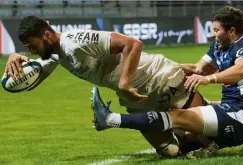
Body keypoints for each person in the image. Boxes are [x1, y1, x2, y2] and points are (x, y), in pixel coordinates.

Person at [4, 15, 213, 158]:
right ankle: (180, 126)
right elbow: (31, 82)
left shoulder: (75, 40)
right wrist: (17, 58)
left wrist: (123, 83)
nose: (30, 50)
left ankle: (232, 110)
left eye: (32, 45)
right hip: (137, 97)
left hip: (158, 77)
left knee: (207, 135)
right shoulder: (57, 55)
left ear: (47, 36)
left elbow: (132, 44)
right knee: (171, 150)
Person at [91, 6, 243, 157]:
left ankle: (110, 119)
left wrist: (209, 79)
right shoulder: (220, 46)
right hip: (233, 110)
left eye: (216, 30)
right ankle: (212, 142)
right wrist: (156, 66)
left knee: (176, 117)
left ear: (232, 32)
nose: (213, 35)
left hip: (240, 118)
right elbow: (198, 69)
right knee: (183, 137)